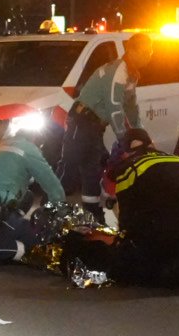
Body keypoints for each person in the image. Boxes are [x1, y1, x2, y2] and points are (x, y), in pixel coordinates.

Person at [96, 126, 179, 292]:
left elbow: (128, 221)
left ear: (126, 151)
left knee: (130, 264)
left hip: (170, 229)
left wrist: (124, 247)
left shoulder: (131, 169)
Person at [57, 32, 152, 222]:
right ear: (132, 50)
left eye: (151, 51)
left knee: (92, 170)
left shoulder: (132, 75)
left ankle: (93, 215)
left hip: (94, 126)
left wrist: (143, 137)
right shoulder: (119, 71)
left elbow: (131, 109)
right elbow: (114, 107)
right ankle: (51, 207)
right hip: (82, 121)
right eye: (146, 51)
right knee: (70, 164)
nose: (149, 55)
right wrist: (125, 141)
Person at [0, 131, 65, 263]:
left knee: (28, 195)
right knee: (42, 243)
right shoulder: (29, 149)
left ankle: (7, 227)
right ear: (36, 141)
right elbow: (54, 188)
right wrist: (60, 218)